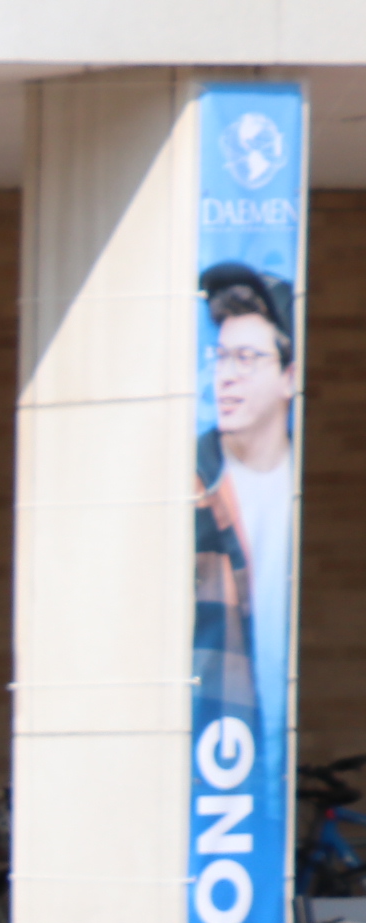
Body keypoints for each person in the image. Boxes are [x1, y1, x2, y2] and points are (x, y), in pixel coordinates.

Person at [198, 263, 300, 730]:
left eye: (246, 358)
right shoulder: (190, 483)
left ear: (289, 377)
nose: (226, 377)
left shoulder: (304, 483)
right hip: (217, 748)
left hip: (288, 736)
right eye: (220, 358)